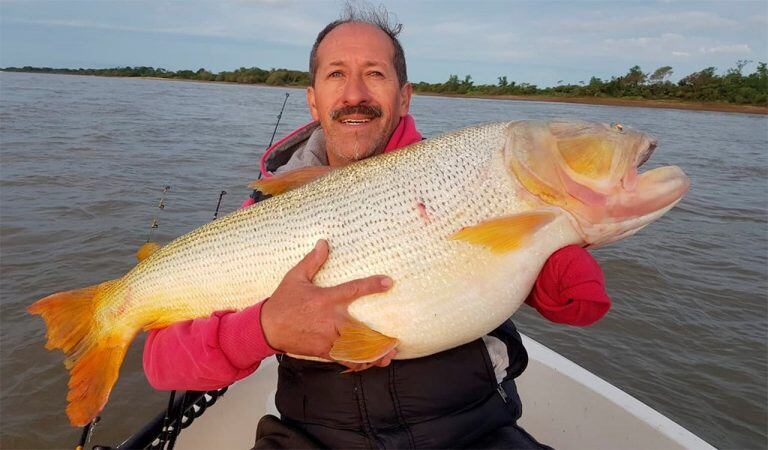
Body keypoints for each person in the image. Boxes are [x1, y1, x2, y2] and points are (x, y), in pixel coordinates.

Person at [144, 7, 612, 449]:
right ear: (312, 100)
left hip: (470, 429)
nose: (354, 95)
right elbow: (161, 361)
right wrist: (265, 328)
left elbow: (579, 306)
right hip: (313, 438)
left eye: (374, 73)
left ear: (404, 95)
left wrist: (563, 240)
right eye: (335, 75)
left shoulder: (469, 176)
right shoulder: (265, 209)